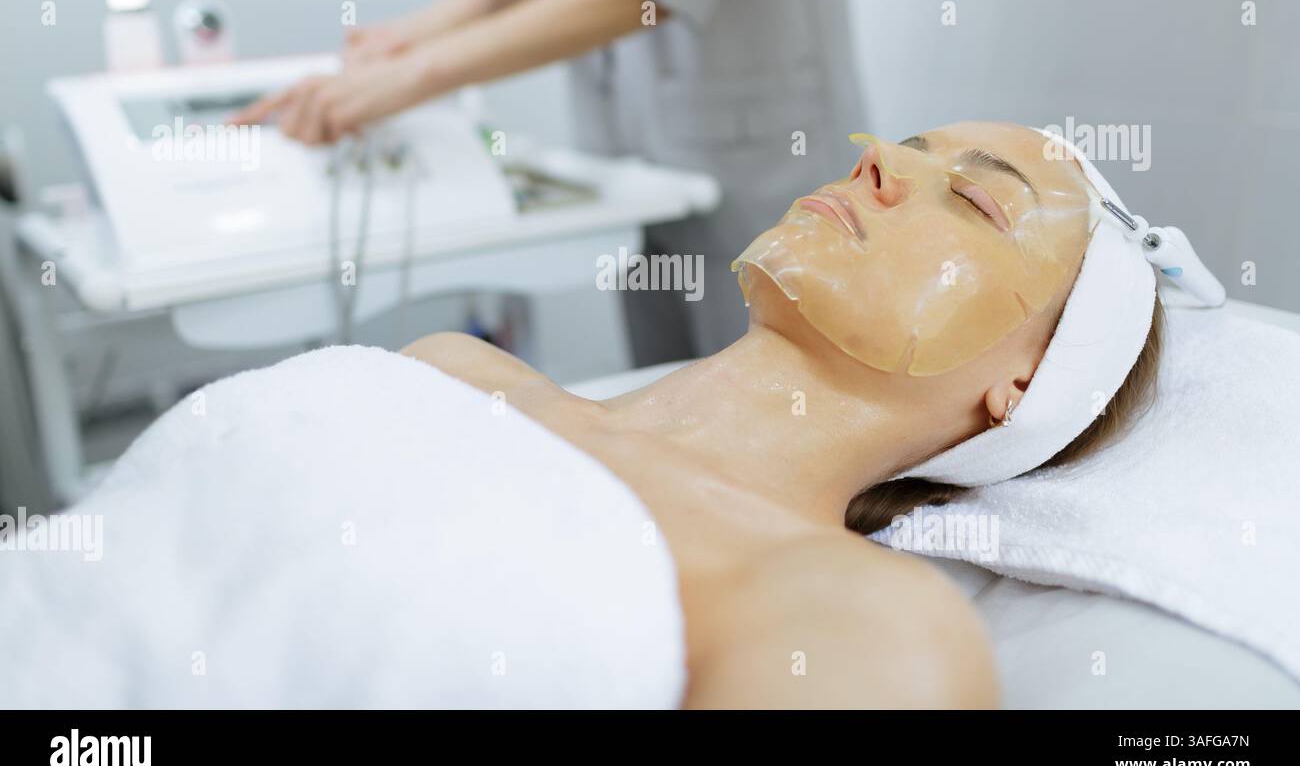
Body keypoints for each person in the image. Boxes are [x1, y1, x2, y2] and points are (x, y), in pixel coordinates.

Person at [401, 122, 1165, 706]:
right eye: (906, 149)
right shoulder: (453, 372)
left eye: (974, 200)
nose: (878, 162)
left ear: (1024, 389)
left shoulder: (863, 628)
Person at [233, 0, 863, 366]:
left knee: (767, 400)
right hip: (618, 147)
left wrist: (417, 76)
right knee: (664, 397)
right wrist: (400, 45)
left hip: (756, 155)